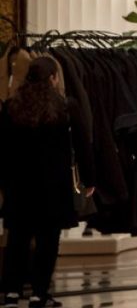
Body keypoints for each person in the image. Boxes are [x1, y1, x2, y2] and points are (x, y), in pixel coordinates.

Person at [0, 57, 94, 308]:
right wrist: (89, 179)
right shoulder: (66, 106)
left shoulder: (11, 106)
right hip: (53, 187)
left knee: (17, 239)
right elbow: (83, 146)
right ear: (53, 78)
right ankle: (39, 293)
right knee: (47, 240)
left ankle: (11, 292)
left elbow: (2, 149)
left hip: (18, 186)